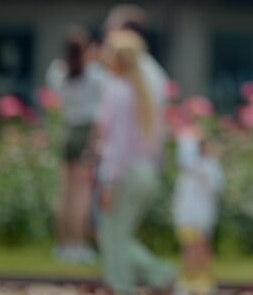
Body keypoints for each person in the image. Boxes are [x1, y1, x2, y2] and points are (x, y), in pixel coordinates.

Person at [95, 29, 175, 294]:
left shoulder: (118, 91)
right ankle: (153, 276)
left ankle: (134, 282)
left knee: (111, 236)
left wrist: (108, 182)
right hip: (146, 172)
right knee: (120, 235)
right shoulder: (141, 91)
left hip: (124, 173)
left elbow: (116, 145)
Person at [48, 27, 105, 264]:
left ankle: (63, 244)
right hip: (85, 131)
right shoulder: (93, 74)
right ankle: (78, 244)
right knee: (81, 194)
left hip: (67, 130)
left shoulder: (57, 71)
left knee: (65, 192)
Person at [172, 127, 224, 295]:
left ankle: (205, 282)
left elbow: (216, 187)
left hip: (202, 217)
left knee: (201, 247)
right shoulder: (186, 176)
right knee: (189, 247)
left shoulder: (210, 167)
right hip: (187, 217)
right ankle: (188, 281)